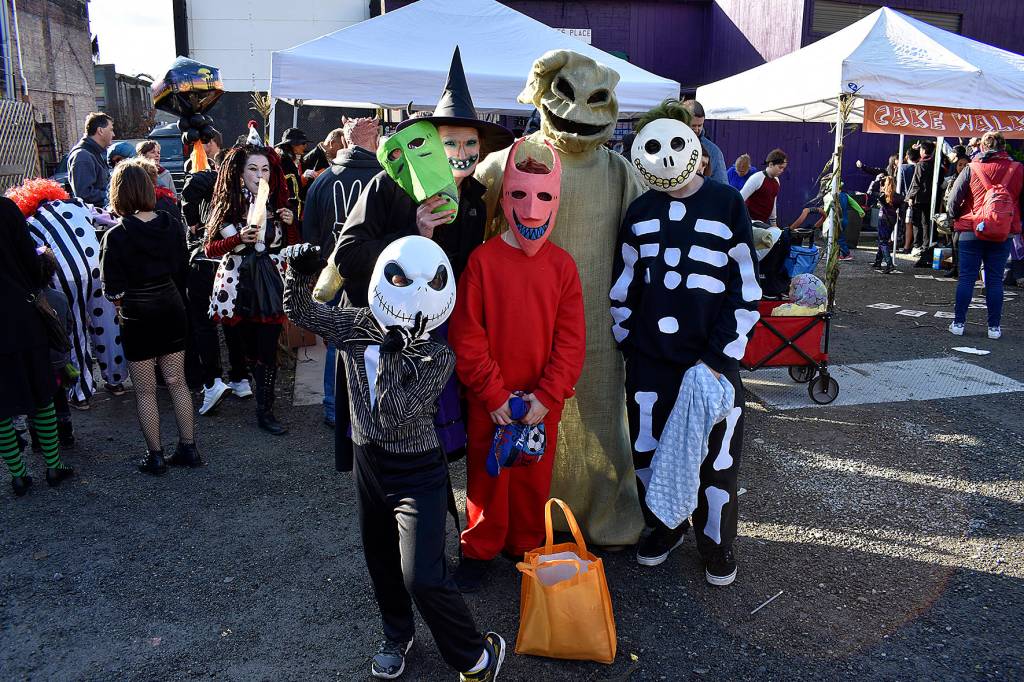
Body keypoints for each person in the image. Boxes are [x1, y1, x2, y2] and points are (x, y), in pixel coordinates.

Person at [282, 237, 506, 681]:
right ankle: (396, 633)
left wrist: (389, 357)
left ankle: (476, 656)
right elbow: (304, 314)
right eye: (401, 279)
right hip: (369, 461)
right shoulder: (356, 324)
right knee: (380, 558)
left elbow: (394, 415)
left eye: (422, 284)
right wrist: (299, 272)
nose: (410, 291)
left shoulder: (437, 356)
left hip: (417, 470)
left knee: (422, 575)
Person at [476, 49, 647, 547]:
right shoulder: (512, 161)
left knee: (599, 420)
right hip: (518, 321)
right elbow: (467, 223)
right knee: (522, 416)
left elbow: (652, 232)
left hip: (594, 319)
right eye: (568, 96)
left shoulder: (618, 171)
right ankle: (524, 521)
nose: (578, 113)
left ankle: (605, 514)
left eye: (597, 99)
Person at [333, 47, 514, 467]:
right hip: (385, 342)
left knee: (431, 451)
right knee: (385, 449)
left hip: (437, 342)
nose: (462, 151)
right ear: (432, 144)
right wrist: (414, 234)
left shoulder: (474, 198)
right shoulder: (387, 185)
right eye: (451, 141)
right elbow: (348, 256)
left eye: (471, 142)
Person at [612, 100, 760, 586]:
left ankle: (717, 542)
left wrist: (719, 356)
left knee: (718, 460)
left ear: (695, 146)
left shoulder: (726, 202)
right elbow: (625, 283)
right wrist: (628, 341)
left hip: (712, 361)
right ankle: (663, 528)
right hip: (651, 363)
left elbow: (744, 284)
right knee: (649, 451)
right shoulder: (638, 211)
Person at [449, 141, 585, 592]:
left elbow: (571, 340)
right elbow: (467, 334)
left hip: (540, 402)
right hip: (491, 400)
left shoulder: (563, 267)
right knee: (486, 477)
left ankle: (526, 543)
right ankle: (481, 546)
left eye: (543, 197)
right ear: (506, 195)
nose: (531, 211)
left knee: (533, 475)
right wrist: (491, 394)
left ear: (557, 200)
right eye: (521, 196)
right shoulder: (483, 262)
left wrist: (547, 396)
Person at [100, 159, 200, 474]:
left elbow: (111, 290)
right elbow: (183, 271)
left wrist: (120, 303)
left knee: (145, 390)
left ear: (118, 194)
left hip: (137, 315)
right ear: (147, 188)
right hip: (172, 308)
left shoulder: (115, 236)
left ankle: (155, 456)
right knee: (177, 381)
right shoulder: (171, 225)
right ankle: (189, 448)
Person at [9, 177, 129, 408]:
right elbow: (109, 219)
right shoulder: (77, 204)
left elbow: (32, 253)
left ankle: (82, 392)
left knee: (74, 331)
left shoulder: (29, 222)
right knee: (107, 323)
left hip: (63, 276)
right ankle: (116, 381)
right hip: (96, 268)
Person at [204, 142, 297, 435]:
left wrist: (292, 222)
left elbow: (290, 243)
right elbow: (209, 248)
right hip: (238, 286)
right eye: (253, 169)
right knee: (249, 349)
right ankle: (250, 385)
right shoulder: (227, 204)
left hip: (270, 283)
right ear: (239, 173)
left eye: (265, 170)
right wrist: (237, 239)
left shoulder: (277, 204)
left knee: (268, 349)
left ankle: (265, 409)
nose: (260, 176)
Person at [303, 116, 381, 433]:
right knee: (380, 340)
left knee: (338, 341)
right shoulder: (387, 178)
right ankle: (375, 403)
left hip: (331, 276)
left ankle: (334, 406)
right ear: (374, 139)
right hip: (379, 277)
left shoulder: (321, 182)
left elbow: (308, 237)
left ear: (347, 141)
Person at [0, 196, 75, 496]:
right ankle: (53, 467)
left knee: (1, 405)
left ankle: (18, 476)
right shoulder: (6, 209)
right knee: (43, 391)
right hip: (23, 316)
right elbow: (32, 266)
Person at [180, 131, 251, 411]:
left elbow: (189, 191)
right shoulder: (248, 191)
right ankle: (240, 377)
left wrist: (193, 220)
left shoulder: (215, 184)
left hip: (207, 264)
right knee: (232, 320)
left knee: (205, 324)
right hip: (232, 266)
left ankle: (213, 381)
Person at [946, 131, 1023, 340]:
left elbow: (953, 200)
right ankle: (994, 329)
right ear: (1004, 147)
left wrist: (955, 218)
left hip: (971, 229)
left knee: (967, 278)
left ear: (981, 147)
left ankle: (959, 323)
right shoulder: (1018, 169)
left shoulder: (971, 168)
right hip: (1003, 232)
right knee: (995, 281)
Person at [37, 247, 77, 448]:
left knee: (40, 400)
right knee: (60, 397)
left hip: (38, 362)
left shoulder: (28, 301)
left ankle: (38, 438)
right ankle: (66, 434)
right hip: (59, 360)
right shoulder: (60, 298)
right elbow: (69, 325)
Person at [67, 112, 114, 206]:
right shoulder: (82, 156)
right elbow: (84, 195)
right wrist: (114, 196)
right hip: (96, 218)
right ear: (100, 130)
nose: (113, 134)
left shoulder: (93, 152)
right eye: (111, 130)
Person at [681, 99, 729, 185]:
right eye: (693, 125)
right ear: (682, 122)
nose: (697, 129)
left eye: (700, 125)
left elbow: (722, 184)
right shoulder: (669, 144)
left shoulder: (713, 151)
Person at [740, 148, 787, 226]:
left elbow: (773, 203)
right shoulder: (757, 178)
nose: (782, 170)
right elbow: (740, 197)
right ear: (771, 164)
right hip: (749, 222)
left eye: (783, 168)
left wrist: (774, 224)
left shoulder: (776, 181)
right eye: (780, 167)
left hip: (762, 222)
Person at [904, 140, 936, 254]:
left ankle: (918, 245)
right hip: (930, 197)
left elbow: (916, 182)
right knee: (926, 222)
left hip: (919, 197)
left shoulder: (921, 164)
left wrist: (911, 197)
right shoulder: (935, 163)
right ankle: (926, 244)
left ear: (923, 151)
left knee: (917, 222)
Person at [275, 128, 309, 220]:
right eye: (303, 143)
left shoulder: (297, 160)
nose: (305, 146)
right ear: (293, 145)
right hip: (286, 211)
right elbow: (289, 189)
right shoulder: (283, 162)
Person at [873, 176, 903, 274]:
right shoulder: (898, 197)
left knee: (883, 241)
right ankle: (878, 261)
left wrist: (877, 181)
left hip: (883, 218)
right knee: (883, 240)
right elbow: (902, 207)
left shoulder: (882, 196)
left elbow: (870, 192)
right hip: (892, 218)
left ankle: (889, 264)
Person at [833, 183, 865, 262]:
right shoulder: (846, 195)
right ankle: (836, 254)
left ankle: (846, 254)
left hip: (837, 220)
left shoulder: (833, 195)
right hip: (844, 220)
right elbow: (854, 203)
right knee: (839, 237)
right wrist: (861, 211)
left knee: (838, 238)